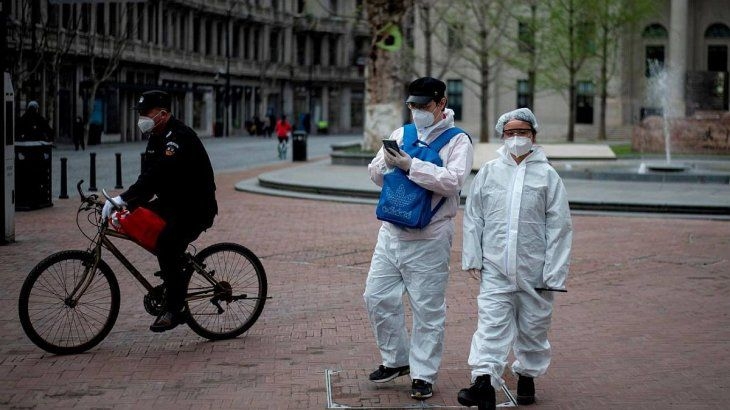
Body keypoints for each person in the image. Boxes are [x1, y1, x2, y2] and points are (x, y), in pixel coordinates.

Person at [363, 77, 474, 401]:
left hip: (430, 236)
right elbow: (375, 174)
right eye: (412, 105)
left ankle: (423, 374)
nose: (417, 111)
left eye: (424, 105)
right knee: (376, 297)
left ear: (441, 104)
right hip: (392, 231)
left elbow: (452, 182)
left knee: (427, 310)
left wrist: (411, 165)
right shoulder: (402, 133)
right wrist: (386, 163)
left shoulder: (458, 141)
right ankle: (396, 360)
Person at [457, 108, 573, 409]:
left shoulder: (547, 176)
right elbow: (474, 217)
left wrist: (554, 272)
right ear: (503, 137)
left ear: (533, 136)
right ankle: (483, 382)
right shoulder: (489, 172)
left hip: (535, 269)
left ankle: (526, 375)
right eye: (510, 133)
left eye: (522, 132)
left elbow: (559, 226)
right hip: (496, 266)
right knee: (490, 325)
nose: (517, 138)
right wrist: (473, 256)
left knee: (533, 327)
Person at [101, 90, 218, 333]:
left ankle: (176, 308)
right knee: (138, 221)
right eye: (140, 113)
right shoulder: (155, 137)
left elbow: (159, 174)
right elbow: (147, 180)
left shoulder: (178, 137)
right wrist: (125, 205)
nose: (141, 118)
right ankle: (174, 272)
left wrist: (123, 198)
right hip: (172, 203)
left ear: (163, 114)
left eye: (146, 113)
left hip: (195, 207)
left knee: (167, 244)